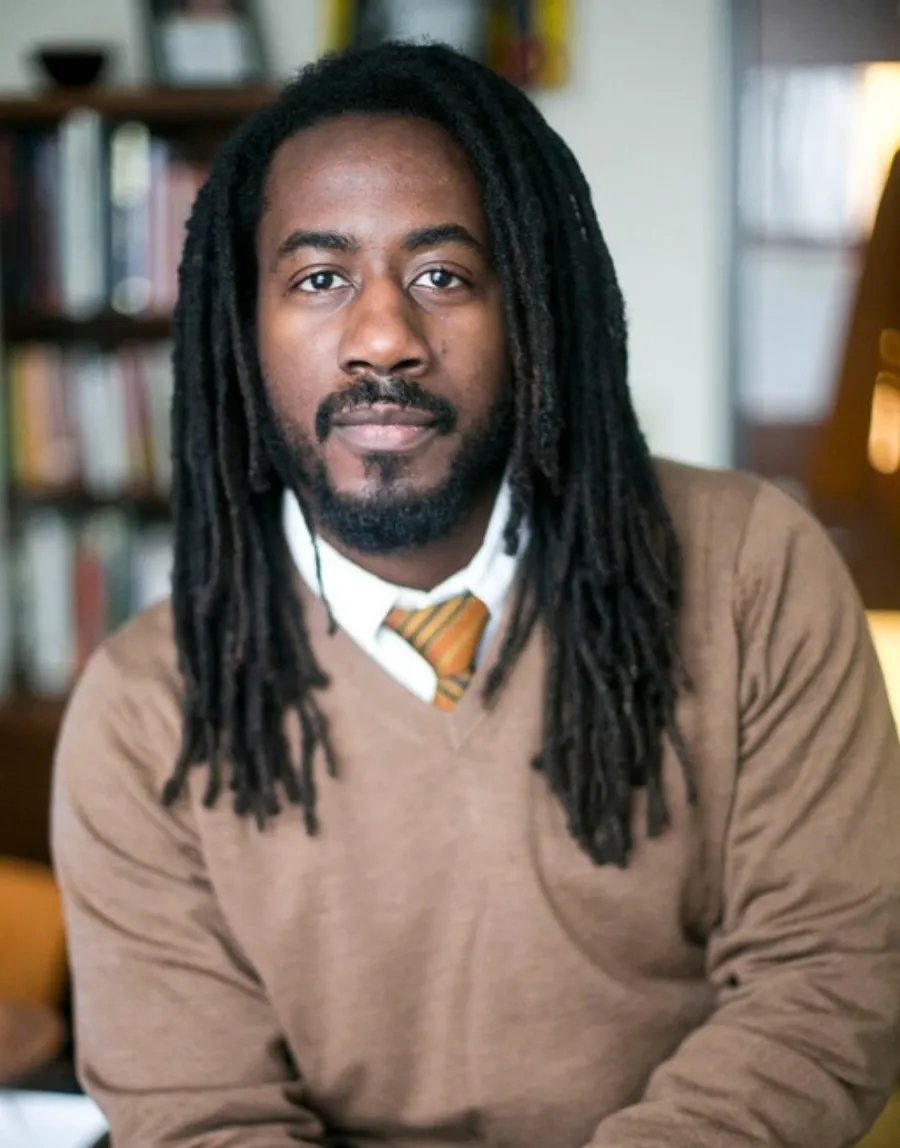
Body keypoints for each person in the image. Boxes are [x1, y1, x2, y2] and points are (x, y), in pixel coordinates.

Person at [51, 41, 900, 1148]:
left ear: (532, 310)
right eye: (319, 278)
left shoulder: (751, 571)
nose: (384, 339)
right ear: (241, 337)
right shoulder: (142, 709)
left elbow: (826, 982)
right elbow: (206, 1115)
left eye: (444, 275)